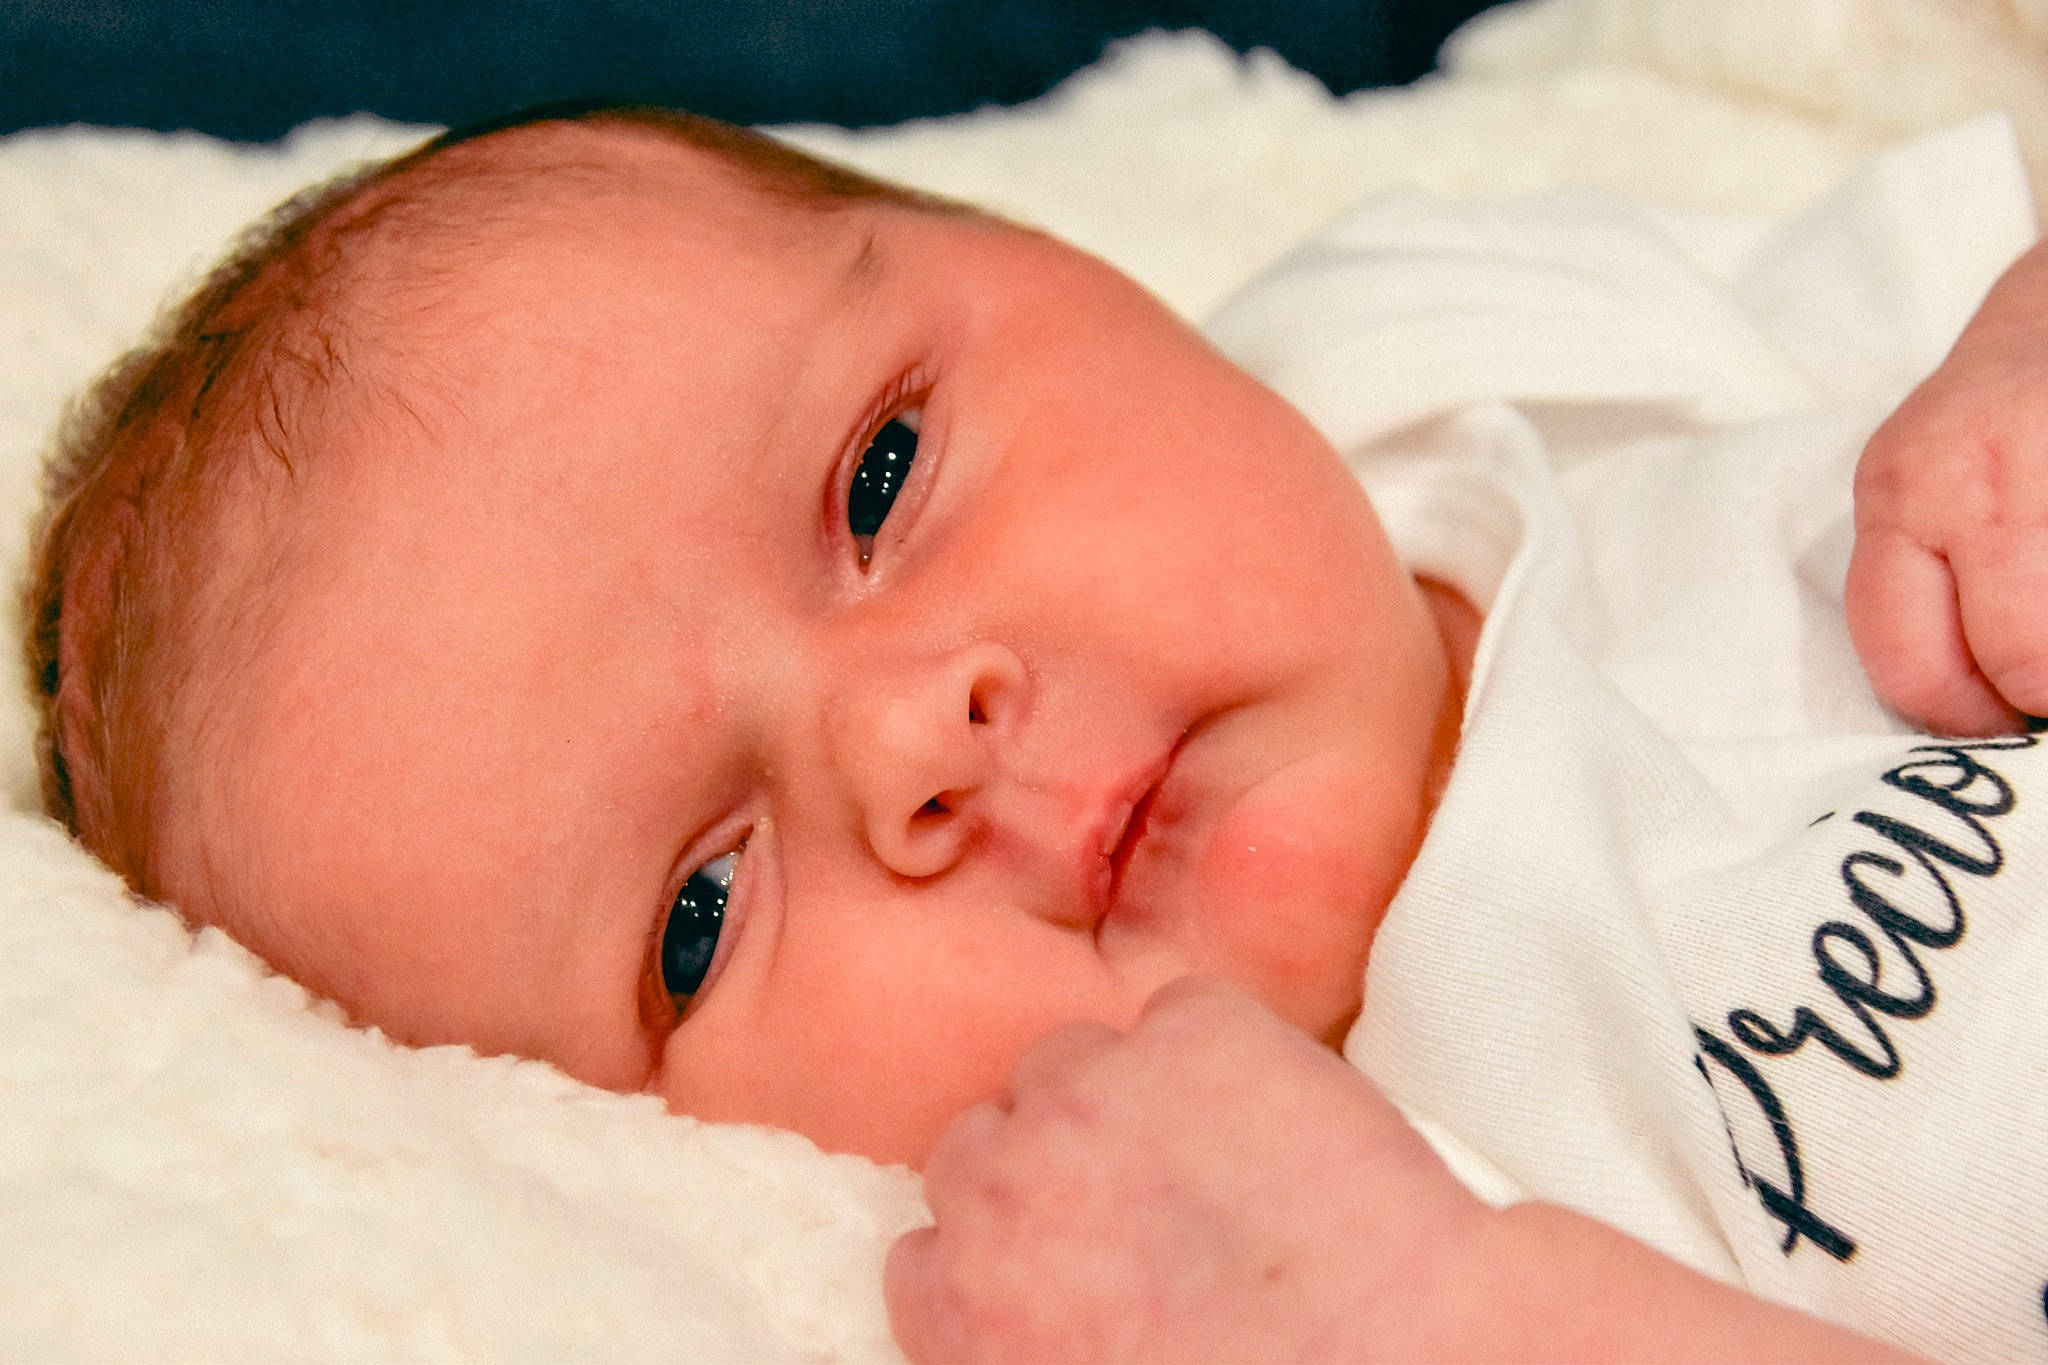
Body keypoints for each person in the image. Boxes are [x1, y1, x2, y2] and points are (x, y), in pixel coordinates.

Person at [23, 104, 2047, 1359]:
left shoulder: (1454, 353)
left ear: (1077, 269)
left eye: (880, 474)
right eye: (697, 918)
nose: (910, 737)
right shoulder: (1288, 1247)